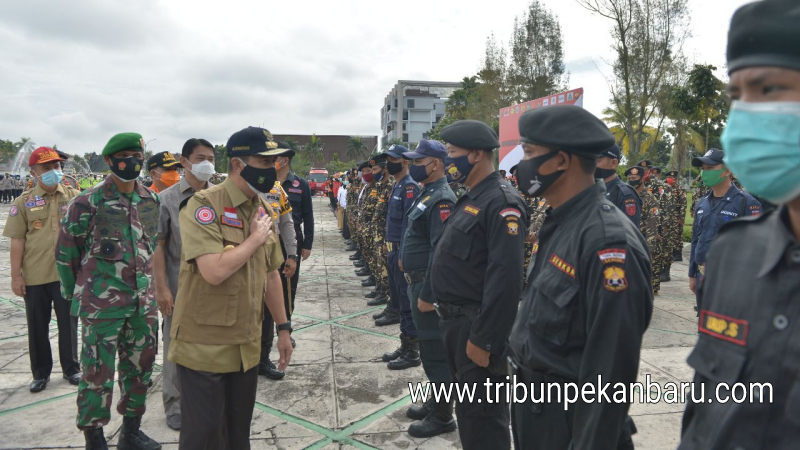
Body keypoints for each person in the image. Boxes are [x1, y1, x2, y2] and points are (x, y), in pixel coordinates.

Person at [679, 1, 800, 448]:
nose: (746, 116)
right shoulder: (733, 254)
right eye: (737, 97)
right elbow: (702, 417)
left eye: (769, 89)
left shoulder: (742, 207)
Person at [508, 105, 652, 450]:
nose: (521, 166)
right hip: (537, 409)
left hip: (570, 423)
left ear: (561, 161)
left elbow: (610, 372)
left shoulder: (607, 242)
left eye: (529, 153)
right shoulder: (562, 220)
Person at [168, 127, 292, 450]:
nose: (272, 170)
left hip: (244, 352)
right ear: (238, 164)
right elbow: (213, 271)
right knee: (204, 440)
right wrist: (253, 240)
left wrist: (283, 328)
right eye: (264, 164)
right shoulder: (202, 206)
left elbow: (271, 275)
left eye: (273, 163)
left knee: (238, 437)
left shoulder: (262, 208)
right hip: (204, 351)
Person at [56, 133, 161, 450]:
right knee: (96, 375)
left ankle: (131, 433)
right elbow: (66, 255)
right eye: (127, 155)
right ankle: (94, 438)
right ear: (112, 160)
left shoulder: (150, 200)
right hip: (102, 307)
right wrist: (81, 292)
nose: (134, 161)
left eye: (138, 155)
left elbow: (152, 246)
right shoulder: (86, 203)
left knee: (140, 370)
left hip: (143, 306)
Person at [430, 120, 527, 450]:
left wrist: (485, 340)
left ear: (475, 154)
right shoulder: (472, 197)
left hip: (477, 328)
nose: (448, 161)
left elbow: (506, 279)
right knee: (470, 419)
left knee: (483, 422)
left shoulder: (501, 202)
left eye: (452, 153)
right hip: (457, 325)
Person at [3, 147, 81, 393]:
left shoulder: (75, 198)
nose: (54, 172)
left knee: (69, 326)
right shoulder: (23, 202)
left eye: (57, 167)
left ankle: (72, 368)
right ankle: (40, 373)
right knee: (38, 326)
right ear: (33, 172)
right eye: (46, 168)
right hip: (36, 276)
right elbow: (17, 242)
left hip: (67, 276)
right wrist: (16, 276)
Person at [152, 138, 216, 431]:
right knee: (175, 349)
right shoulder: (166, 199)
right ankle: (174, 405)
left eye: (212, 158)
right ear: (185, 161)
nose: (208, 164)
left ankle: (203, 401)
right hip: (178, 288)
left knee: (210, 349)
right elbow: (159, 248)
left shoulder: (218, 196)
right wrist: (162, 289)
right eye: (201, 158)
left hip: (213, 287)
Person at [400, 139, 458, 437]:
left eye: (418, 162)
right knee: (428, 348)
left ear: (435, 164)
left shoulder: (443, 199)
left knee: (435, 351)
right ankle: (437, 400)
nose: (412, 167)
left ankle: (443, 415)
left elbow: (441, 252)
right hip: (417, 280)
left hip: (427, 286)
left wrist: (428, 295)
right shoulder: (428, 193)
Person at [689, 147, 761, 309]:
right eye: (703, 169)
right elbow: (696, 240)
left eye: (710, 169)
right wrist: (692, 274)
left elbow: (756, 247)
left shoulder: (746, 203)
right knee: (705, 326)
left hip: (732, 279)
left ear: (727, 171)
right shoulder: (702, 203)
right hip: (703, 276)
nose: (705, 173)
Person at [376, 144, 420, 367]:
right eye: (388, 159)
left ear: (404, 162)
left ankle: (412, 352)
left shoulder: (410, 187)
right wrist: (387, 243)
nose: (388, 163)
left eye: (393, 159)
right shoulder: (397, 185)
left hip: (401, 254)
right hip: (392, 251)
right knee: (398, 300)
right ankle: (404, 344)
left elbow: (408, 225)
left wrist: (403, 253)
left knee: (405, 301)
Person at [259, 144, 299, 381]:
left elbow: (286, 224)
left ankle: (262, 360)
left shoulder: (277, 191)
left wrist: (291, 255)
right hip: (241, 262)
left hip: (270, 260)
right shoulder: (238, 189)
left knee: (267, 314)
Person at [626, 166, 661, 295]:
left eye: (634, 178)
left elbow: (652, 224)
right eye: (629, 178)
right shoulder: (625, 194)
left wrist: (650, 249)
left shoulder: (651, 199)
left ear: (642, 179)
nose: (631, 181)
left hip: (641, 242)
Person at [596, 144, 641, 227]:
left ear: (613, 163)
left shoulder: (625, 194)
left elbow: (630, 231)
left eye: (597, 160)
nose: (592, 164)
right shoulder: (593, 189)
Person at [666, 170, 687, 261]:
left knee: (677, 235)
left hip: (676, 215)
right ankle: (668, 253)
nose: (672, 180)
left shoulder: (680, 189)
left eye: (674, 178)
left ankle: (677, 254)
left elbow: (683, 203)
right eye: (670, 178)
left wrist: (681, 218)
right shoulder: (662, 188)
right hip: (665, 216)